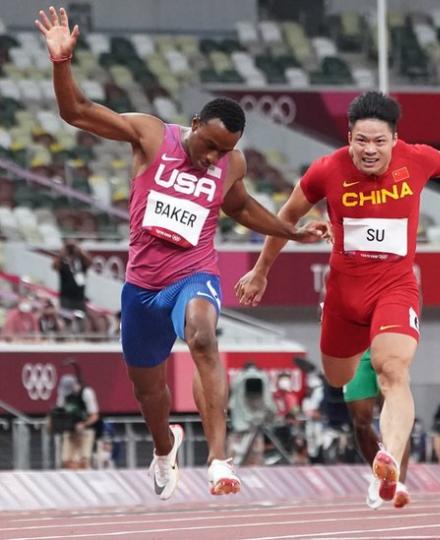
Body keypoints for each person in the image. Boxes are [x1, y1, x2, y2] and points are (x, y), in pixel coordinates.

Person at [37, 7, 327, 500]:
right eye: (209, 145)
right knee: (149, 391)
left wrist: (290, 232)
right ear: (194, 124)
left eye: (223, 151)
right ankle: (165, 444)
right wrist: (62, 64)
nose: (213, 158)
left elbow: (239, 206)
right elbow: (77, 113)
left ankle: (218, 458)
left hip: (192, 274)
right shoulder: (153, 136)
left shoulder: (230, 163)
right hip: (142, 286)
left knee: (203, 336)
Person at [235, 90, 440, 503]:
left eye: (379, 142)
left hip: (395, 287)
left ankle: (389, 455)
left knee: (394, 371)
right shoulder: (325, 170)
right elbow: (287, 217)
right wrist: (261, 270)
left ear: (394, 139)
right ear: (349, 137)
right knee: (338, 377)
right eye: (361, 141)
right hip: (342, 295)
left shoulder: (416, 159)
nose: (370, 150)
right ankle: (381, 445)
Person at [344, 350, 412, 509]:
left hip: (389, 343)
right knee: (360, 421)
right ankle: (381, 473)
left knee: (397, 415)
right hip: (356, 351)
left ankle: (398, 484)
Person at [52, 373, 99, 469]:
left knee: (84, 461)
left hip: (85, 431)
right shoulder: (64, 395)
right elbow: (59, 410)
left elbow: (95, 416)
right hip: (70, 430)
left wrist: (83, 424)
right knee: (66, 460)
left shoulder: (86, 393)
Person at [52, 239, 91, 313]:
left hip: (79, 298)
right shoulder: (63, 262)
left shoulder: (81, 262)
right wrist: (62, 253)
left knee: (81, 320)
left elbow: (90, 263)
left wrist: (80, 251)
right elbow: (54, 266)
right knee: (66, 320)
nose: (71, 250)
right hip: (66, 298)